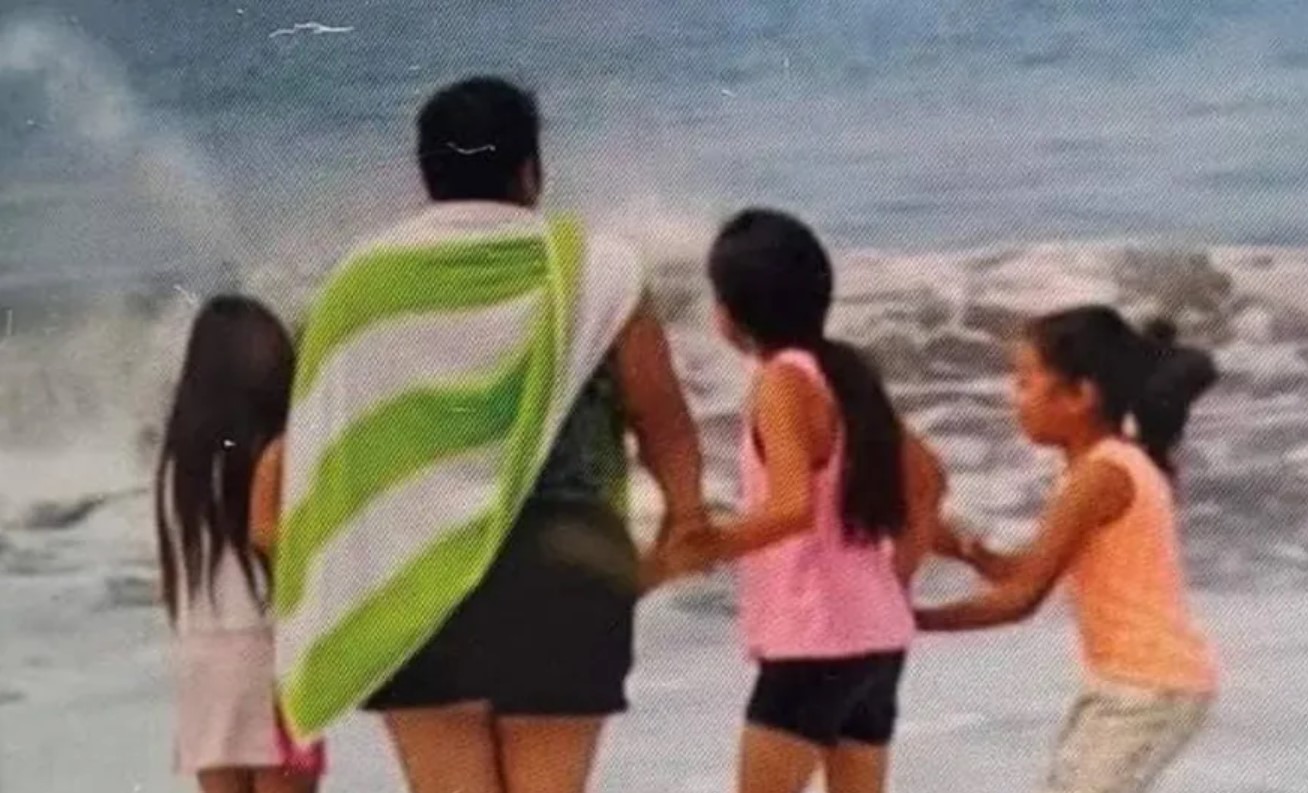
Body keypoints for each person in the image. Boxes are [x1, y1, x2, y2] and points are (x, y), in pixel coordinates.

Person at [270, 76, 706, 793]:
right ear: (531, 170)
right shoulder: (600, 269)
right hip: (566, 569)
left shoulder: (359, 283)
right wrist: (686, 521)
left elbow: (325, 445)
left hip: (411, 574)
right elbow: (662, 417)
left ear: (425, 174)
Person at [665, 209, 946, 793]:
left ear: (728, 316)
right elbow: (928, 481)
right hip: (877, 640)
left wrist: (701, 545)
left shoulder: (781, 383)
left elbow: (791, 505)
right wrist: (893, 580)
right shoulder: (845, 372)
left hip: (813, 642)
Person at [916, 305, 1219, 793]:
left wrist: (909, 620)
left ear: (1080, 395)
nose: (1015, 400)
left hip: (1149, 687)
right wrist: (968, 551)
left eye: (1024, 383)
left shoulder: (1101, 477)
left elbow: (1021, 600)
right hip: (1131, 681)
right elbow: (1030, 574)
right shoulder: (1104, 466)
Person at [155, 296, 324, 793]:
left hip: (202, 661)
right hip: (269, 655)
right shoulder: (279, 453)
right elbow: (272, 541)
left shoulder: (175, 469)